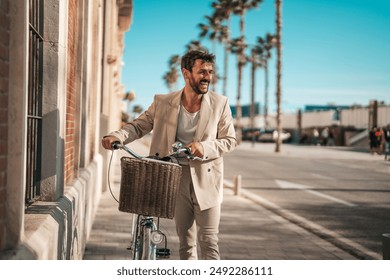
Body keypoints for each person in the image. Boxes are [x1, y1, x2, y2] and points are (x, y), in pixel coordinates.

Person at [101, 49, 237, 260]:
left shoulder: (220, 104)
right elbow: (139, 126)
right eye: (202, 71)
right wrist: (116, 135)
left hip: (207, 179)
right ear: (186, 73)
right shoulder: (164, 102)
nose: (207, 77)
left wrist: (205, 147)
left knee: (209, 241)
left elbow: (230, 140)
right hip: (174, 178)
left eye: (210, 71)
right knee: (186, 242)